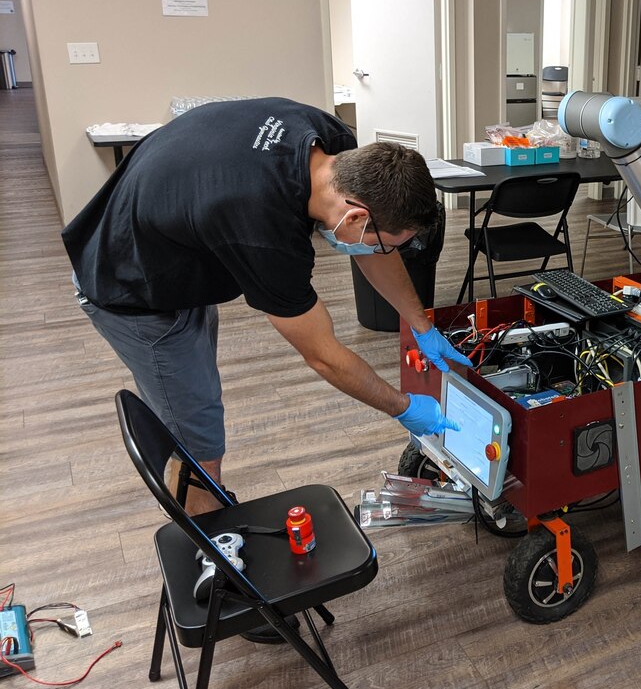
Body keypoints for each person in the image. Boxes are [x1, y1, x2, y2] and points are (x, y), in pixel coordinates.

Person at [63, 96, 472, 516]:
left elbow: (374, 251)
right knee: (197, 448)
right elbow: (324, 356)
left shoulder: (333, 143)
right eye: (384, 241)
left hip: (171, 241)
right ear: (355, 220)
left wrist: (422, 325)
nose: (384, 251)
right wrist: (404, 408)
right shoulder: (262, 229)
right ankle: (210, 554)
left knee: (199, 405)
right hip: (129, 287)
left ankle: (208, 504)